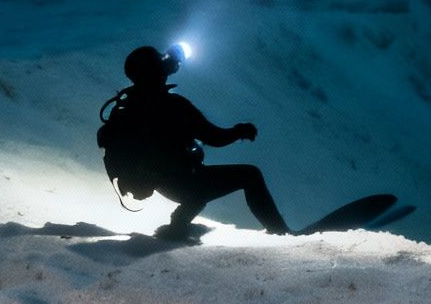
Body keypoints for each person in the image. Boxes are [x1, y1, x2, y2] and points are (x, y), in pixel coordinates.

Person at [97, 45, 291, 240]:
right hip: (184, 181)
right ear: (156, 71)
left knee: (198, 186)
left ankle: (181, 218)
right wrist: (240, 131)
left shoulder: (129, 107)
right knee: (250, 175)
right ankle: (280, 232)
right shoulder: (173, 105)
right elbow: (214, 137)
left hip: (160, 183)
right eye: (160, 63)